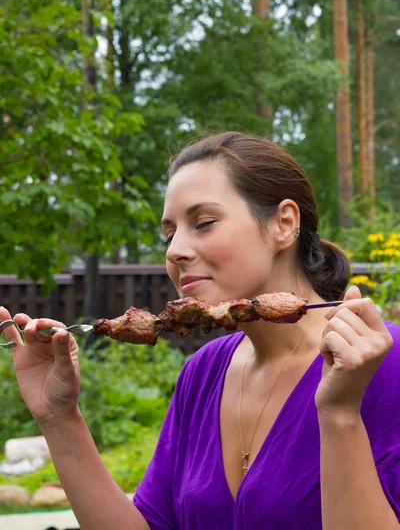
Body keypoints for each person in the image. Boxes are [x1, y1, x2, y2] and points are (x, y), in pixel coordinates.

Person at [1, 131, 400, 530]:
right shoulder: (204, 372)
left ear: (283, 223)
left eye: (204, 222)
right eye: (169, 234)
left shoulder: (381, 362)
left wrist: (340, 414)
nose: (175, 250)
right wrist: (59, 418)